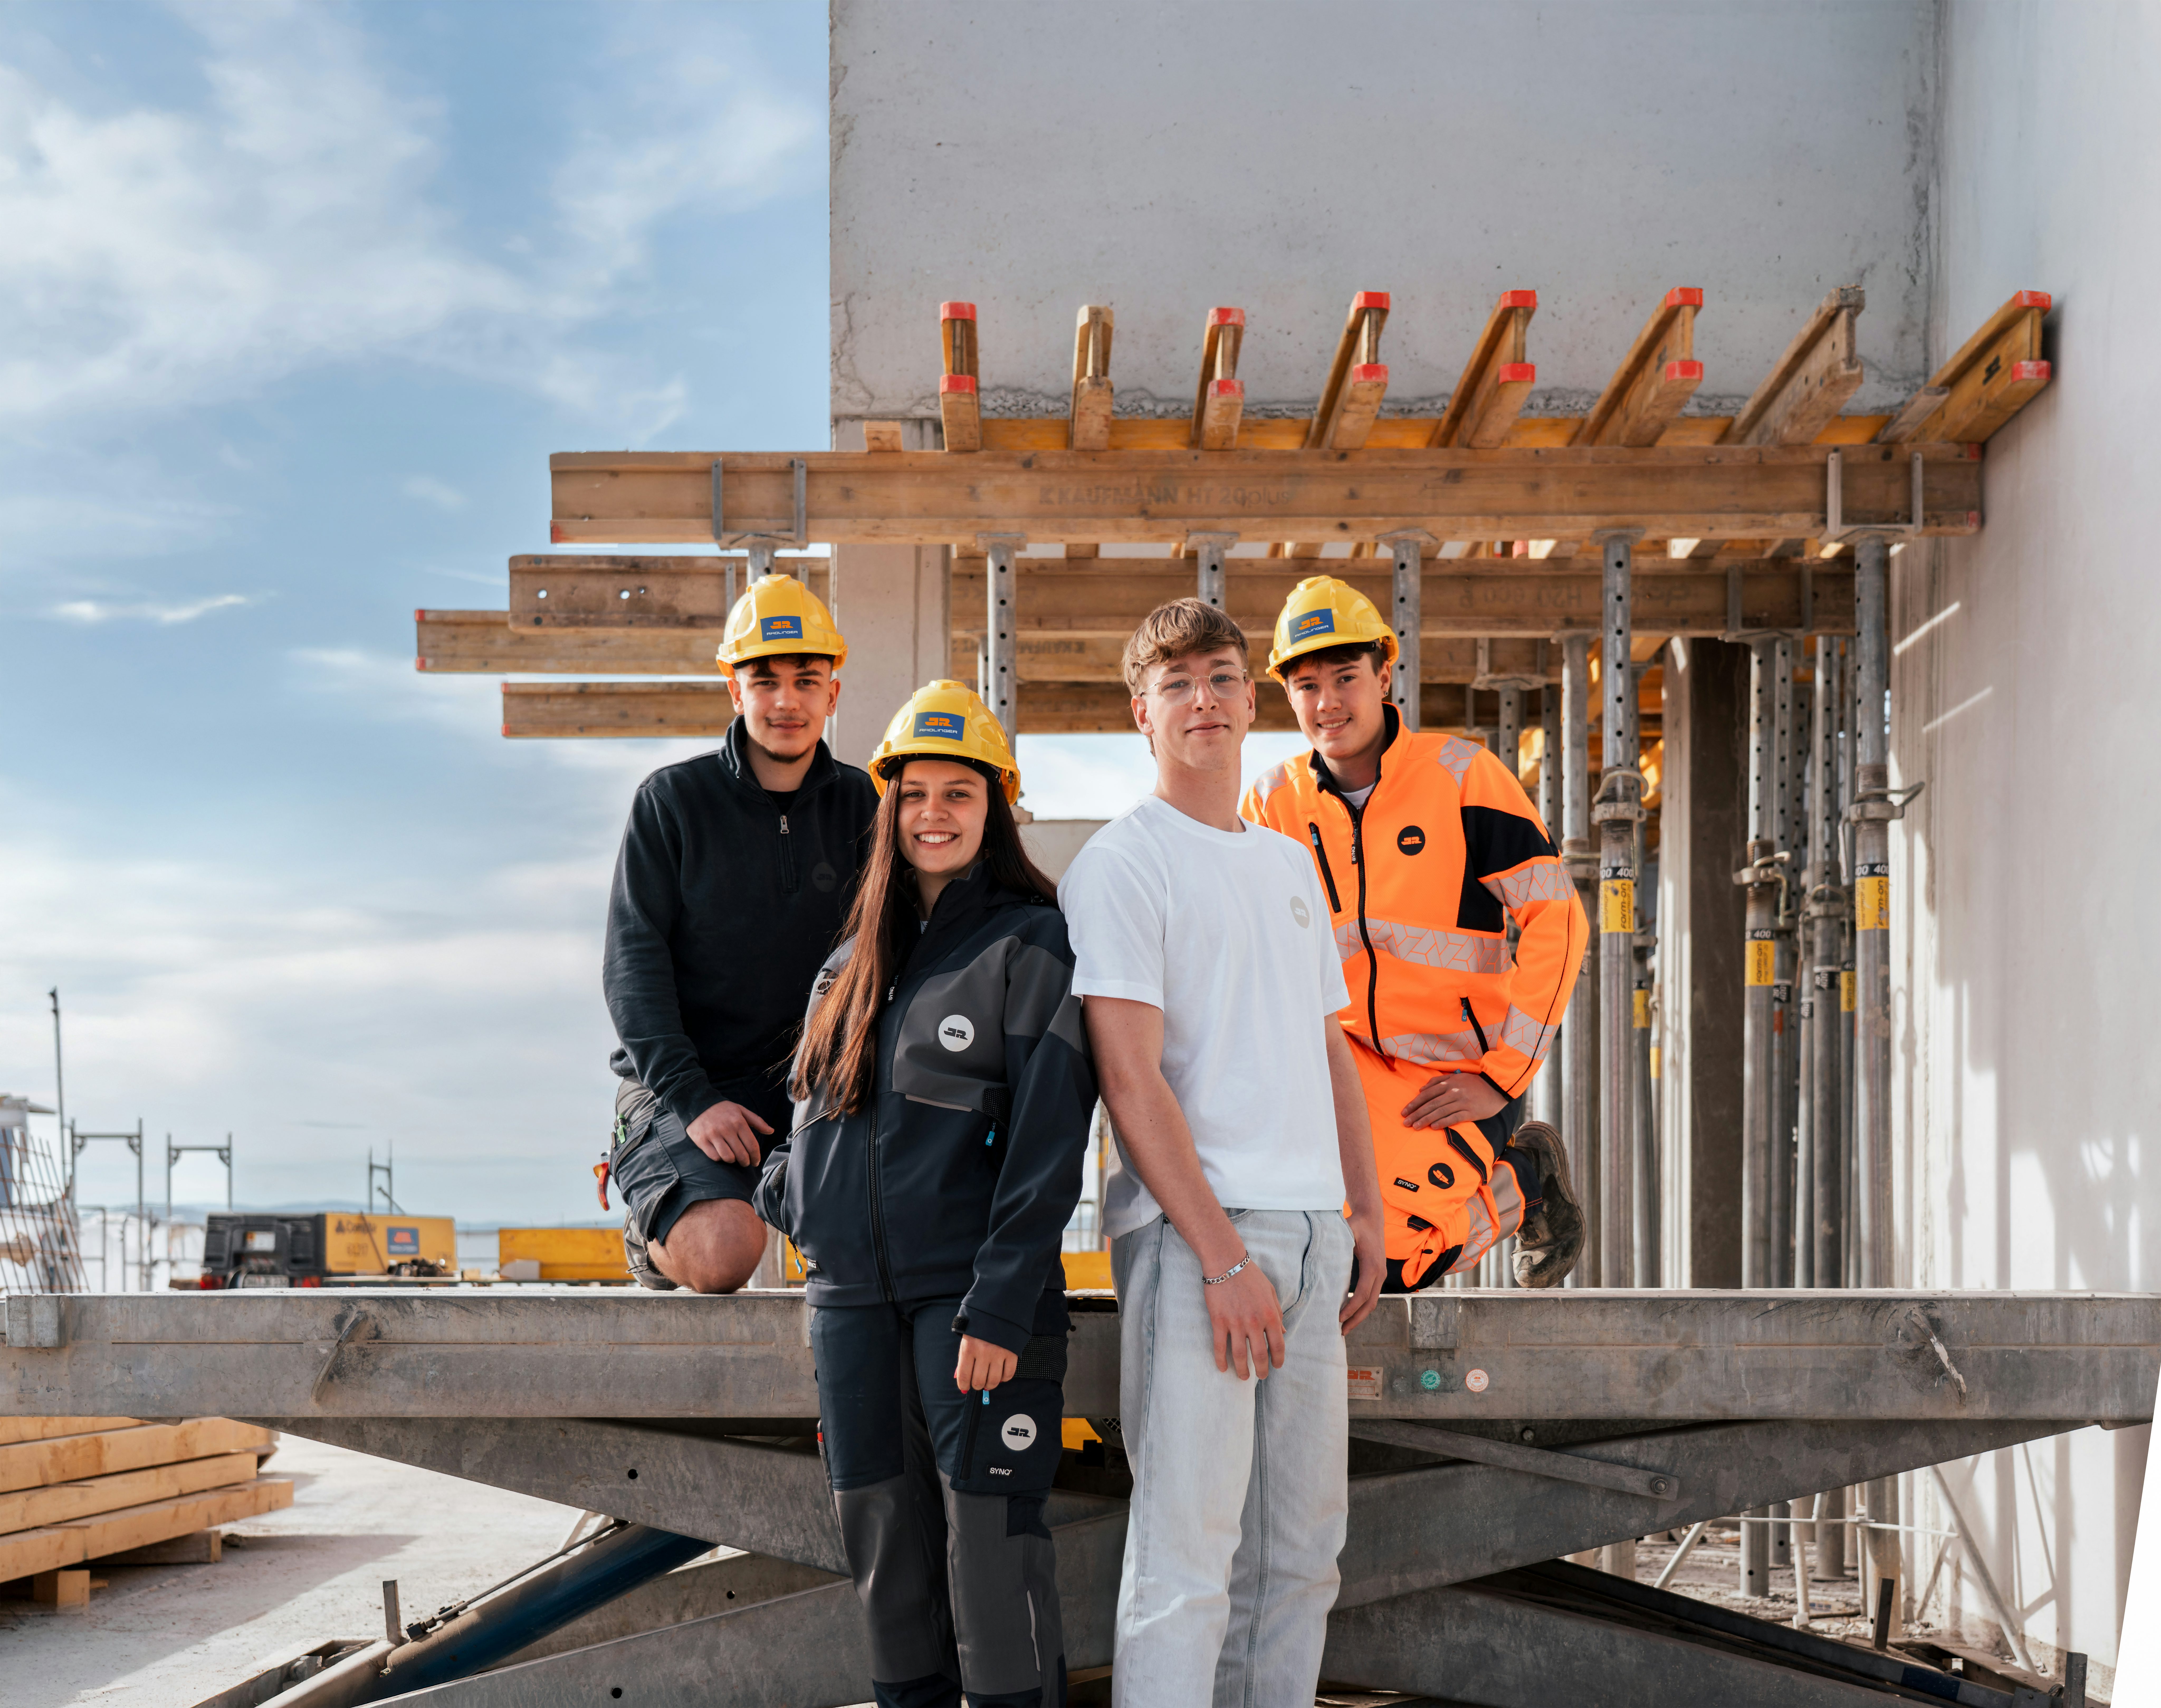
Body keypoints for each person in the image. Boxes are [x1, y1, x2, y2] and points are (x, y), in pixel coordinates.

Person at [1057, 598, 1386, 1708]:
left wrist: (1363, 1215)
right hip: (1204, 1246)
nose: (1203, 698)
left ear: (1251, 700)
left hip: (1307, 1240)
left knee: (1301, 1555)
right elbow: (1129, 1078)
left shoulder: (1287, 864)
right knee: (1186, 1558)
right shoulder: (1121, 864)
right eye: (1177, 682)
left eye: (1221, 677)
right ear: (1140, 713)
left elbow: (1326, 1050)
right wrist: (1219, 1255)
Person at [758, 680, 1096, 1708]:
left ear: (997, 806)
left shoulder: (1031, 942)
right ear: (887, 807)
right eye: (913, 794)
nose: (933, 813)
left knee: (992, 1564)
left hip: (972, 1307)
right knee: (887, 1563)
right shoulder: (846, 965)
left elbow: (1048, 1141)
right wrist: (794, 1198)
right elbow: (808, 1121)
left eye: (959, 791)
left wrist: (997, 1303)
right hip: (850, 1305)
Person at [1241, 575, 1587, 1290]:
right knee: (1315, 1244)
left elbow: (1559, 919)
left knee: (1392, 1262)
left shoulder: (1463, 779)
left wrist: (1502, 1075)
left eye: (1346, 677)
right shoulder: (1272, 802)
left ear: (1384, 673)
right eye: (1307, 685)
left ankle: (1525, 1177)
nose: (1328, 702)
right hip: (1343, 1072)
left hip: (1455, 1078)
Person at [602, 573, 878, 1293]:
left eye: (806, 680)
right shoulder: (673, 804)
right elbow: (633, 970)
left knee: (900, 1238)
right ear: (735, 689)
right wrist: (693, 1099)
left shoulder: (864, 806)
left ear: (832, 694)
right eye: (765, 680)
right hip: (683, 1087)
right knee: (724, 1252)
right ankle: (649, 1231)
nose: (787, 700)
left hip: (817, 1092)